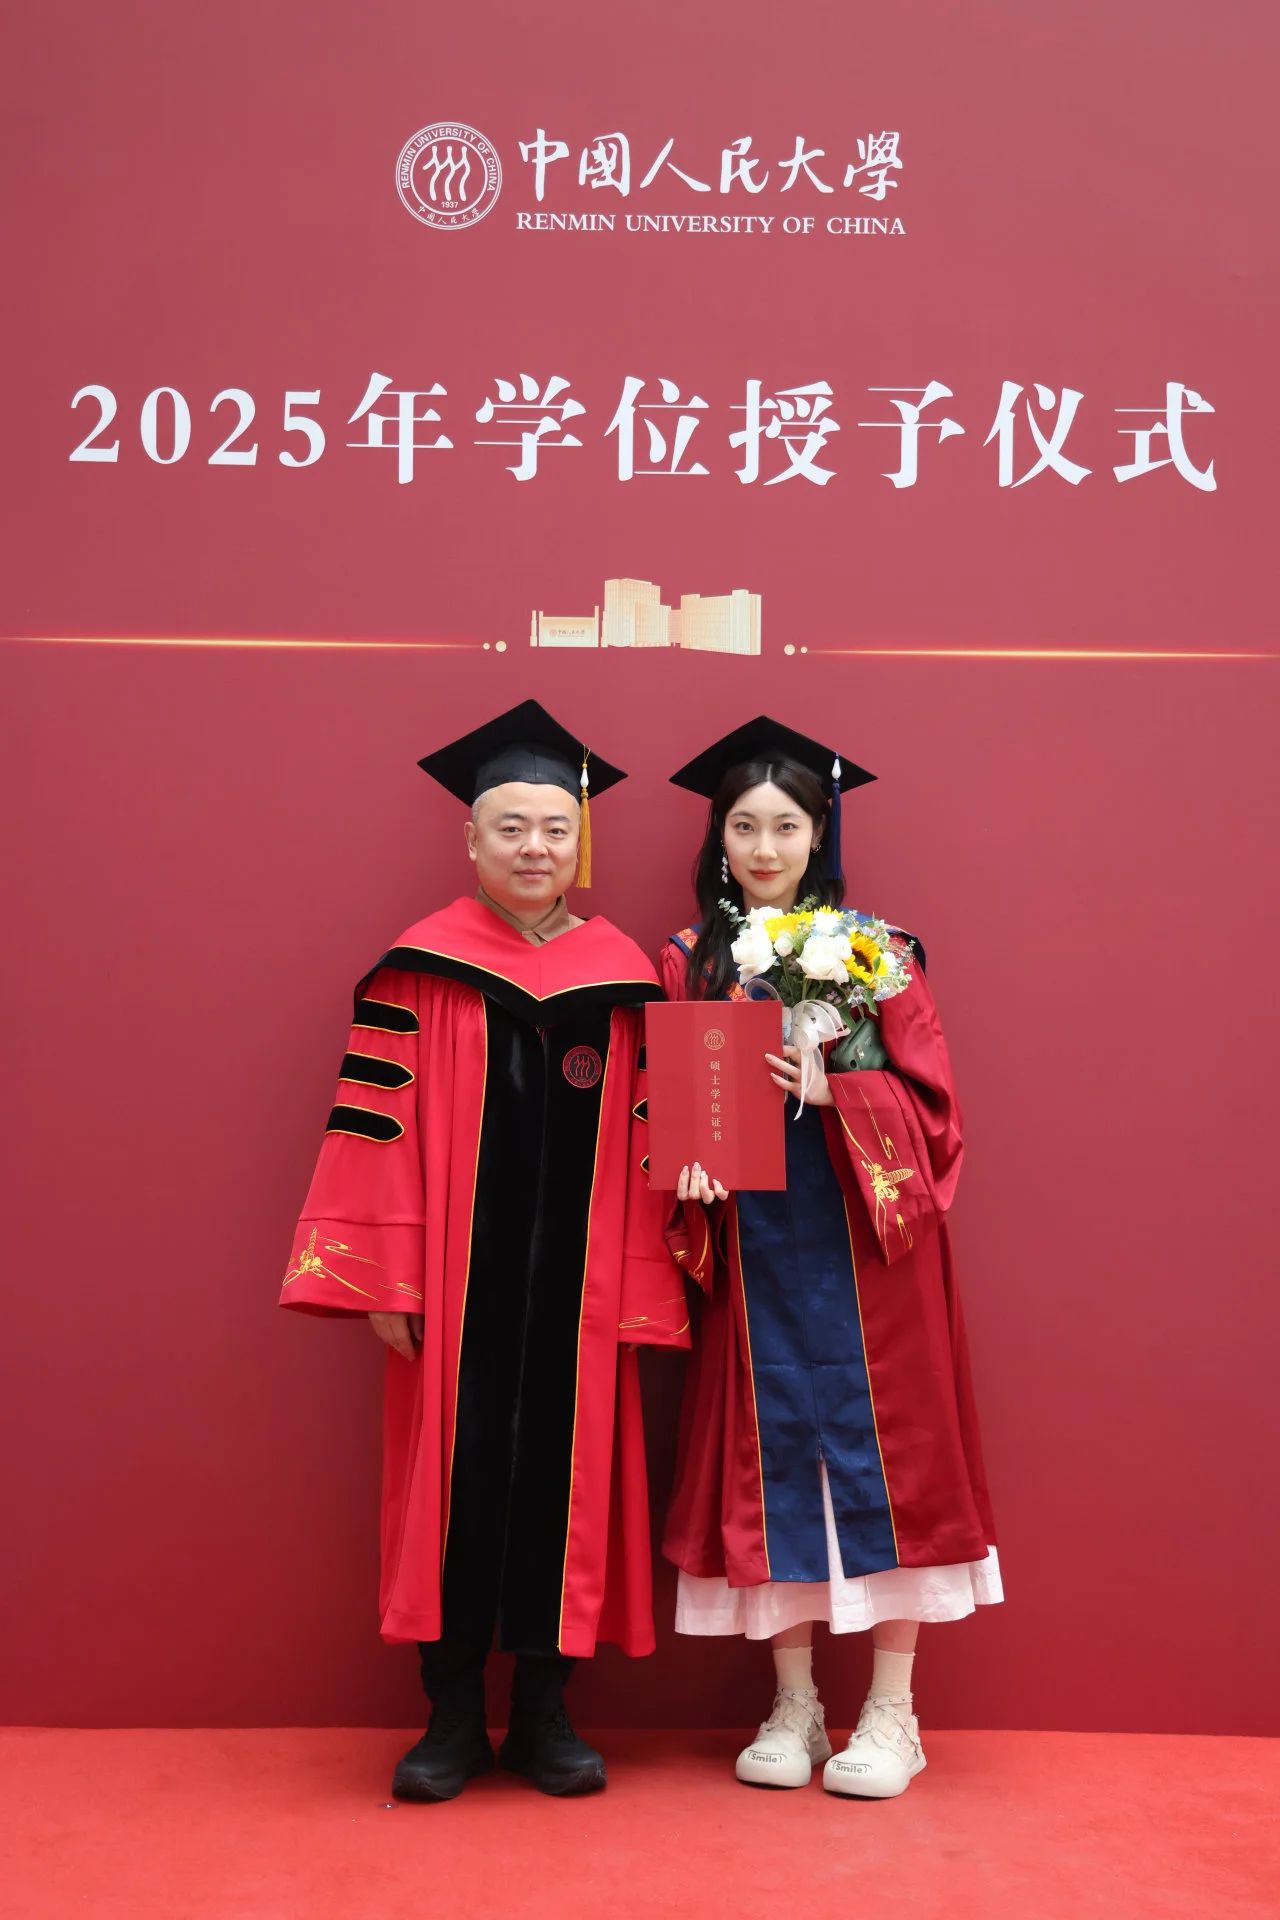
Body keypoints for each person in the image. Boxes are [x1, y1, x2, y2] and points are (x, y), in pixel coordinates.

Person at [279, 699, 686, 1802]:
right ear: (471, 838)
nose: (533, 848)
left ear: (579, 841)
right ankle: (452, 1717)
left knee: (570, 1489)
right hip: (454, 1295)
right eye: (510, 827)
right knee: (448, 1491)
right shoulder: (419, 972)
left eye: (554, 828)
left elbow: (654, 1141)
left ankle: (545, 1714)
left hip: (581, 1299)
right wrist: (385, 1278)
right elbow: (374, 1132)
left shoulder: (624, 979)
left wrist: (644, 1280)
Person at [659, 716, 1001, 1797]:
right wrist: (685, 1167)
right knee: (774, 1464)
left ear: (820, 835)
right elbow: (666, 1102)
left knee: (889, 1456)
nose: (763, 848)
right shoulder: (689, 958)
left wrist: (833, 1090)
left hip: (869, 1245)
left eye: (785, 826)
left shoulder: (877, 951)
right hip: (757, 1246)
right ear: (718, 838)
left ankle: (892, 1713)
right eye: (743, 826)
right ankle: (796, 1703)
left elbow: (935, 1112)